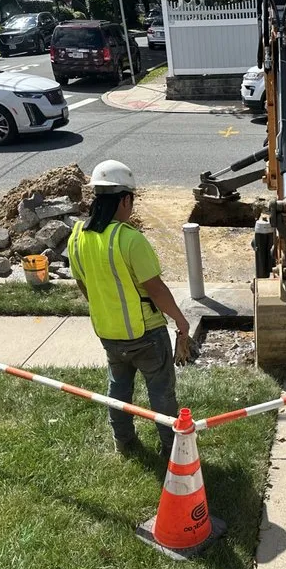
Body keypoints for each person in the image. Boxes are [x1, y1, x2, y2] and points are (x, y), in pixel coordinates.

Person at [67, 160, 190, 456]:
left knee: (119, 390)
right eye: (131, 200)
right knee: (160, 392)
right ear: (124, 199)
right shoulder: (130, 239)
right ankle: (171, 449)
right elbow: (156, 289)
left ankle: (123, 441)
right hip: (146, 334)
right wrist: (181, 323)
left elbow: (84, 285)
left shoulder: (77, 237)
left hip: (108, 333)